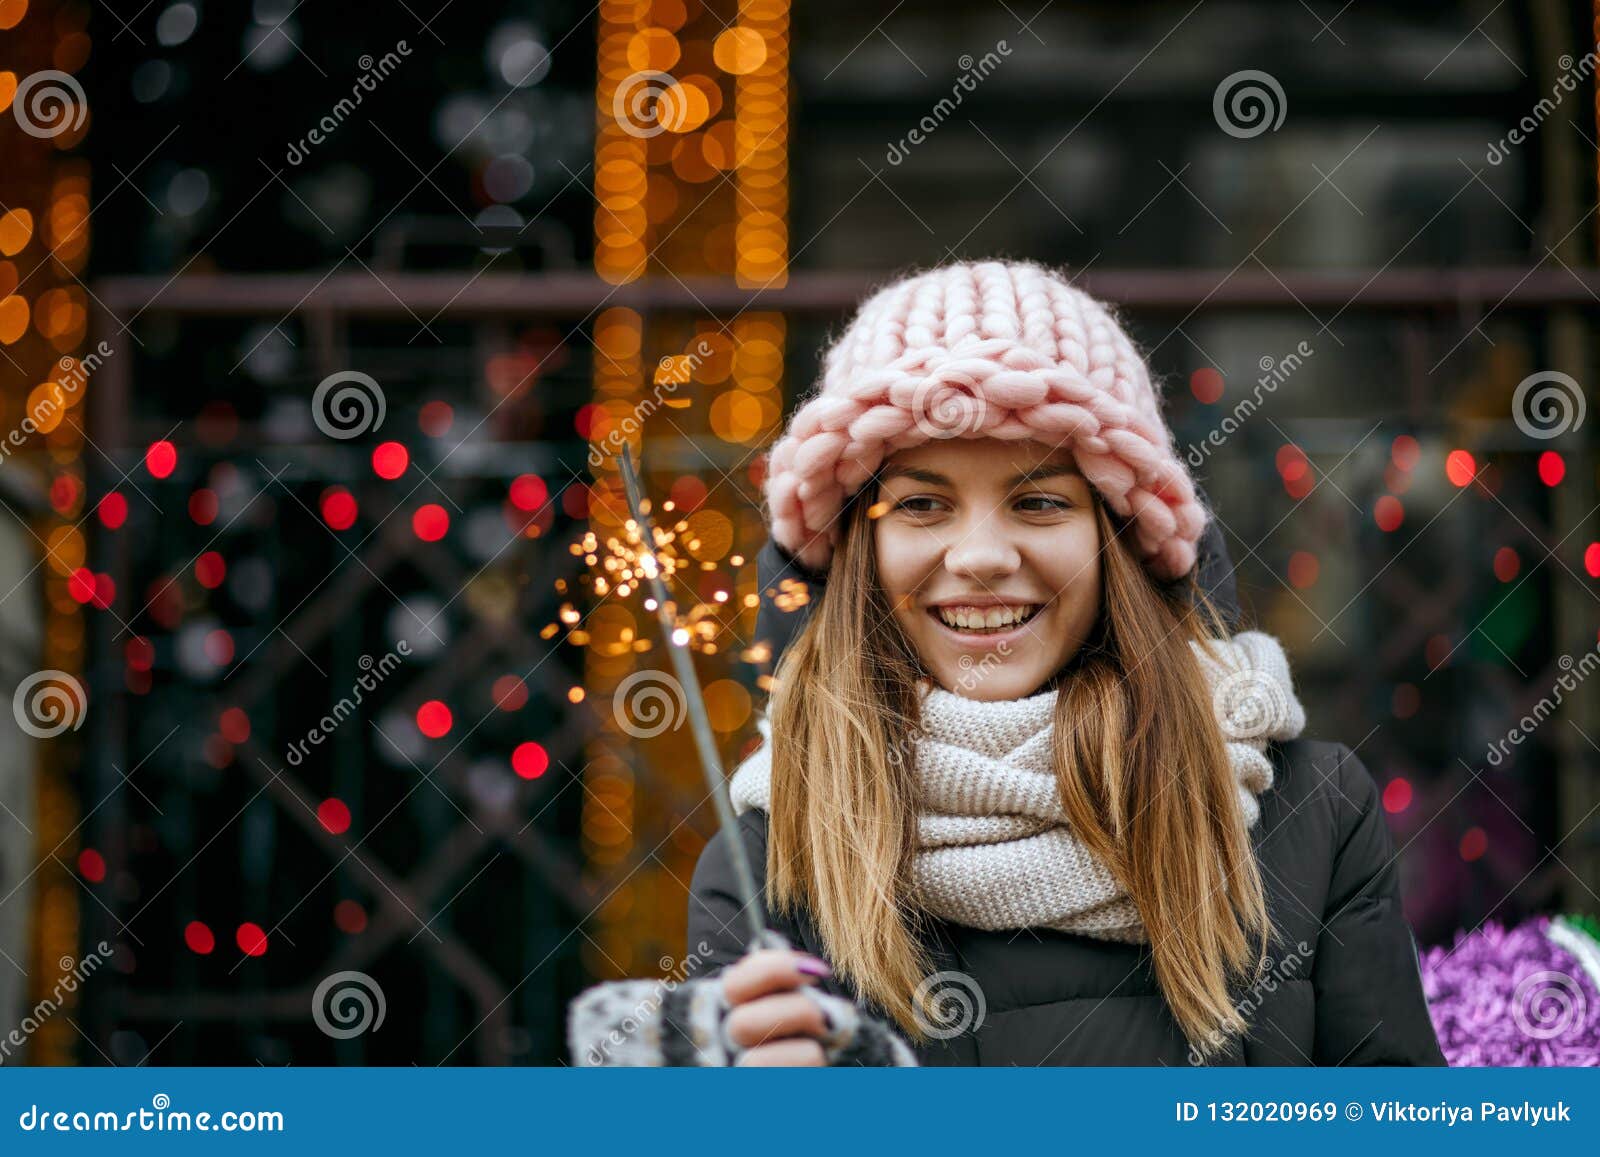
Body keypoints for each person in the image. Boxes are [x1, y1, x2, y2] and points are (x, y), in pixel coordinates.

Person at [687, 258, 1447, 1067]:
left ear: (1118, 534)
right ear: (859, 554)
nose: (980, 555)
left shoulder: (1313, 816)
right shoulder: (772, 860)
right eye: (920, 503)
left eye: (1040, 500)